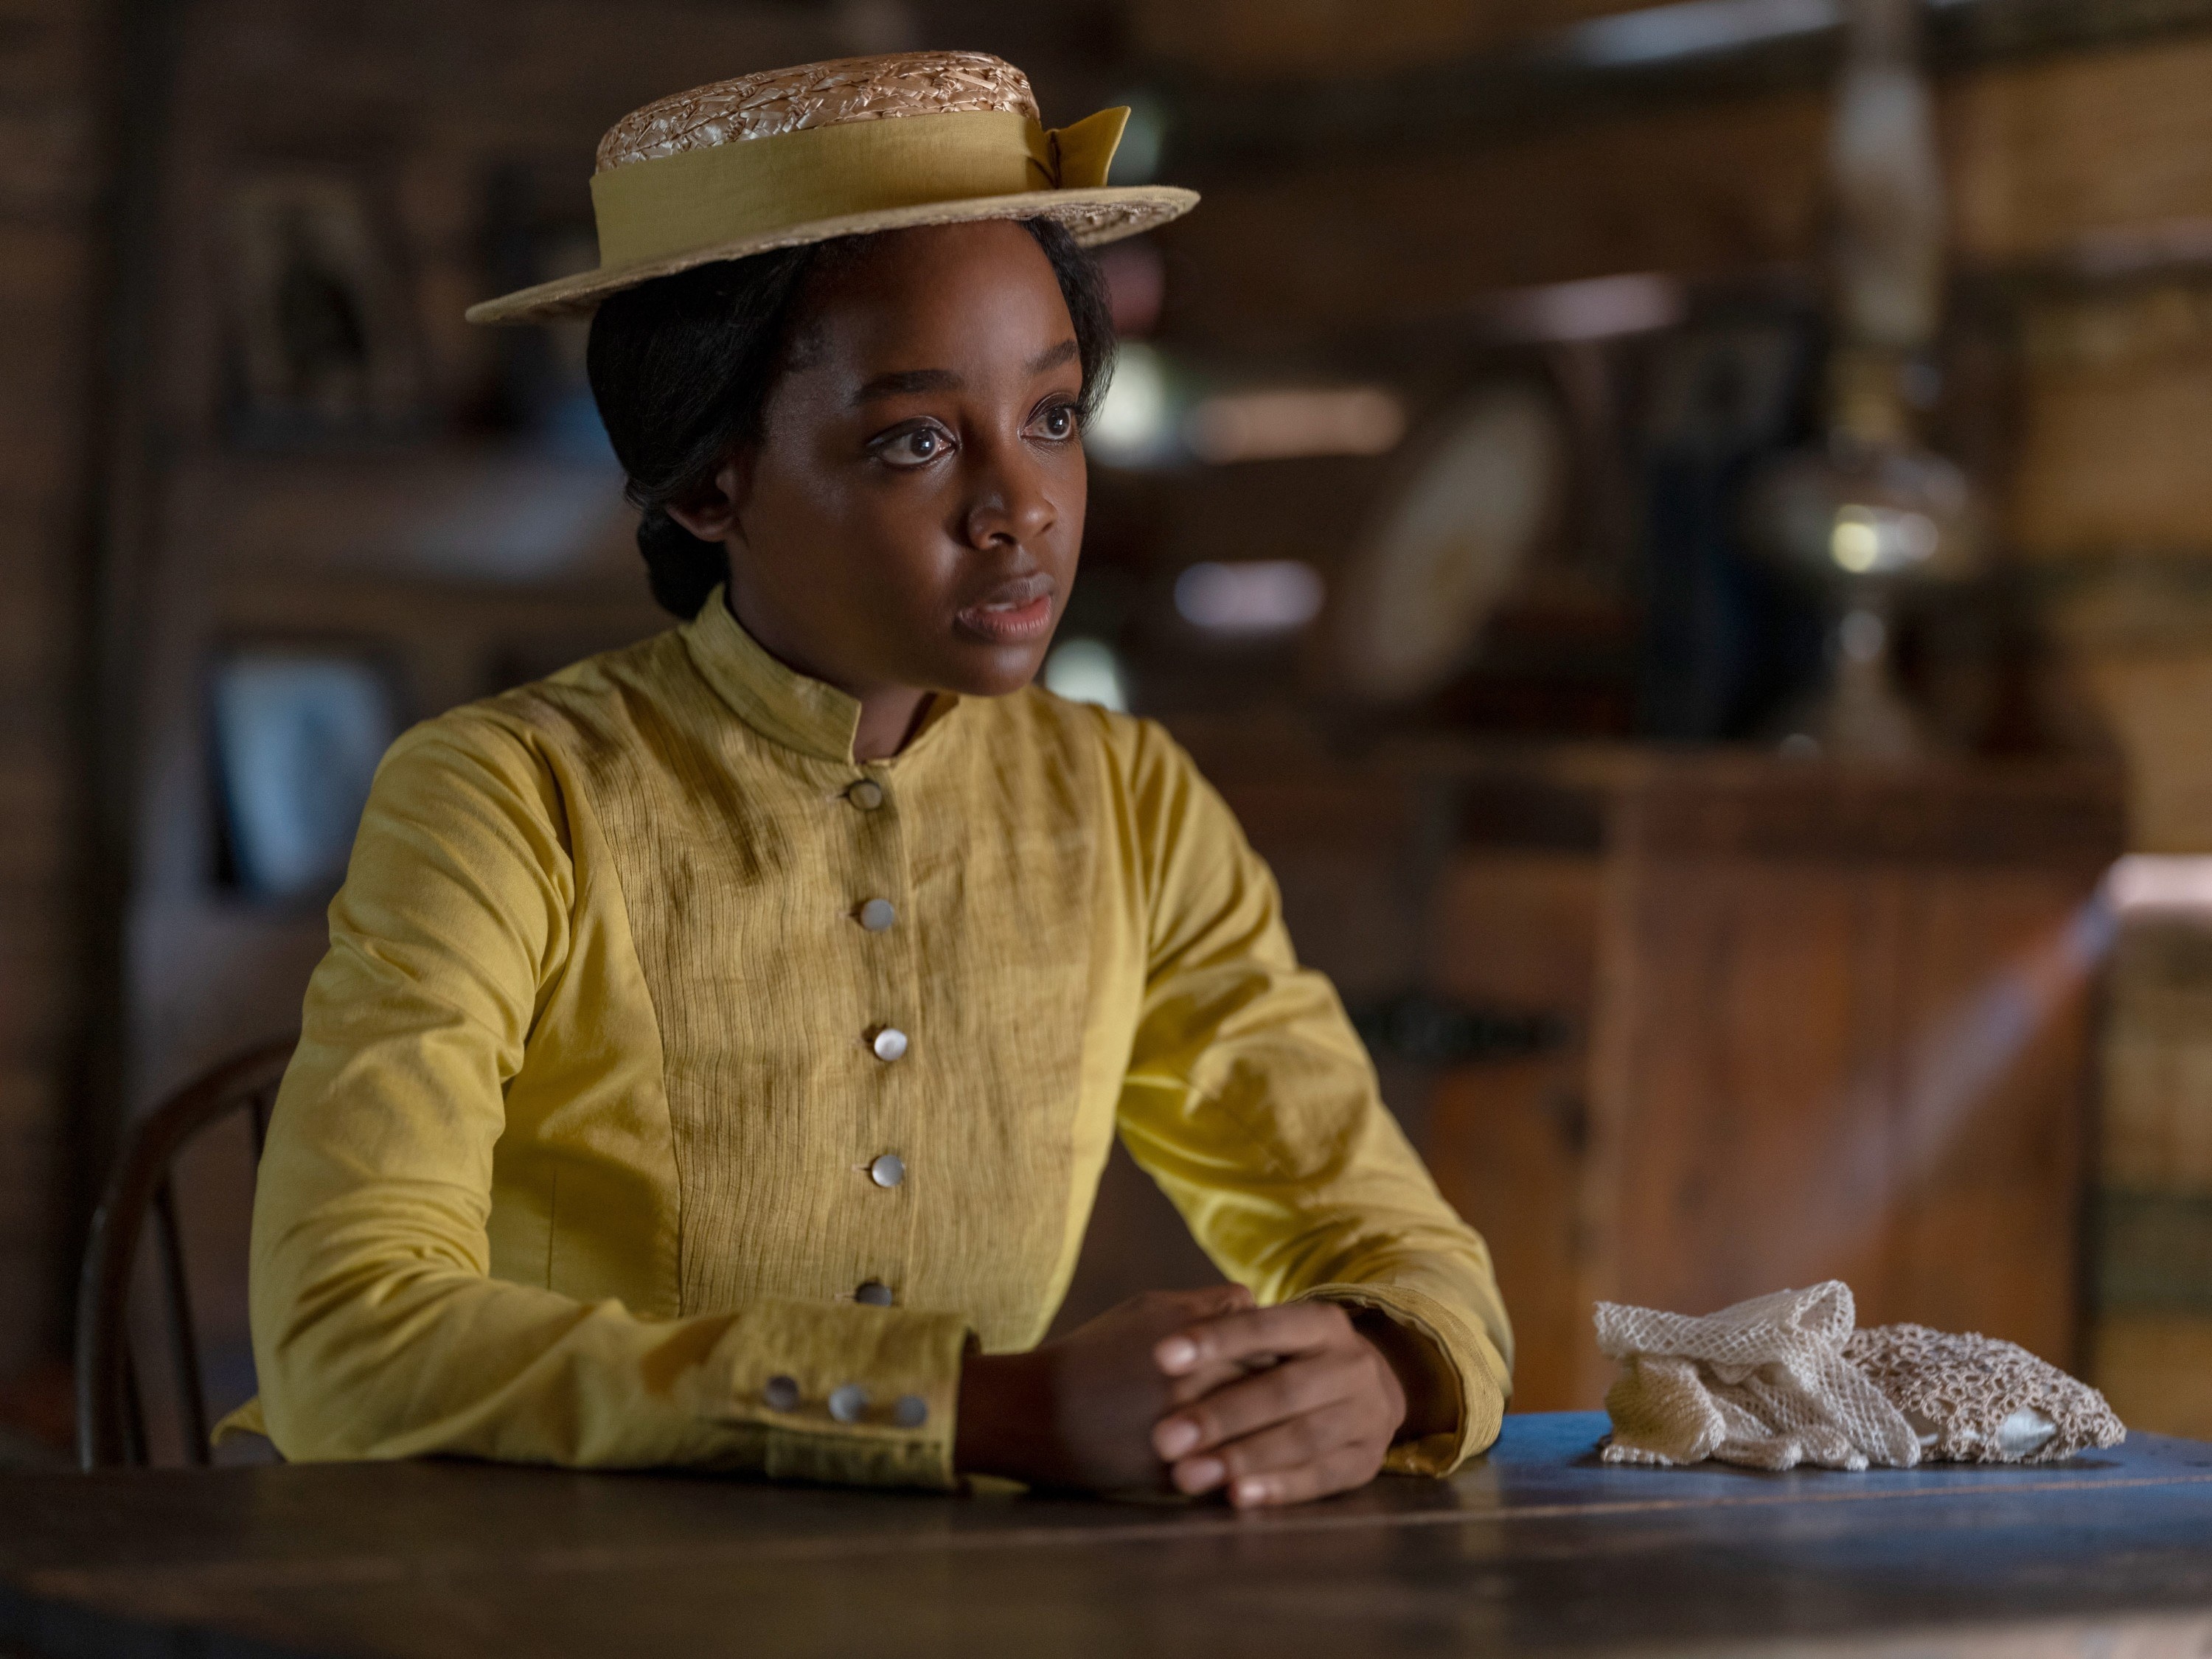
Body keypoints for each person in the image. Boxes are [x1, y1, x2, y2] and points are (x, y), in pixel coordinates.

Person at [234, 49, 1512, 1509]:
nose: (1020, 508)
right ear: (713, 481)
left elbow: (1405, 1255)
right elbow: (346, 1341)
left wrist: (1375, 1365)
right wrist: (984, 1415)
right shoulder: (509, 797)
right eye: (915, 440)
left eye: (1054, 417)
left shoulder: (1131, 808)